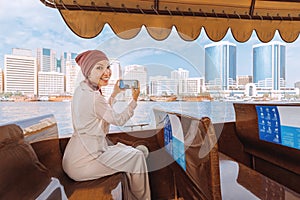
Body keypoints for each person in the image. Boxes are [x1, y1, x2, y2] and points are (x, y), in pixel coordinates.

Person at [62, 50, 151, 200]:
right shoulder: (94, 97)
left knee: (125, 150)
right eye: (99, 68)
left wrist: (115, 94)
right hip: (84, 163)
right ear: (88, 72)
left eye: (107, 67)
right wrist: (134, 100)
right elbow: (119, 120)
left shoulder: (82, 90)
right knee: (136, 156)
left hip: (73, 158)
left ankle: (130, 195)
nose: (107, 72)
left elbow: (102, 114)